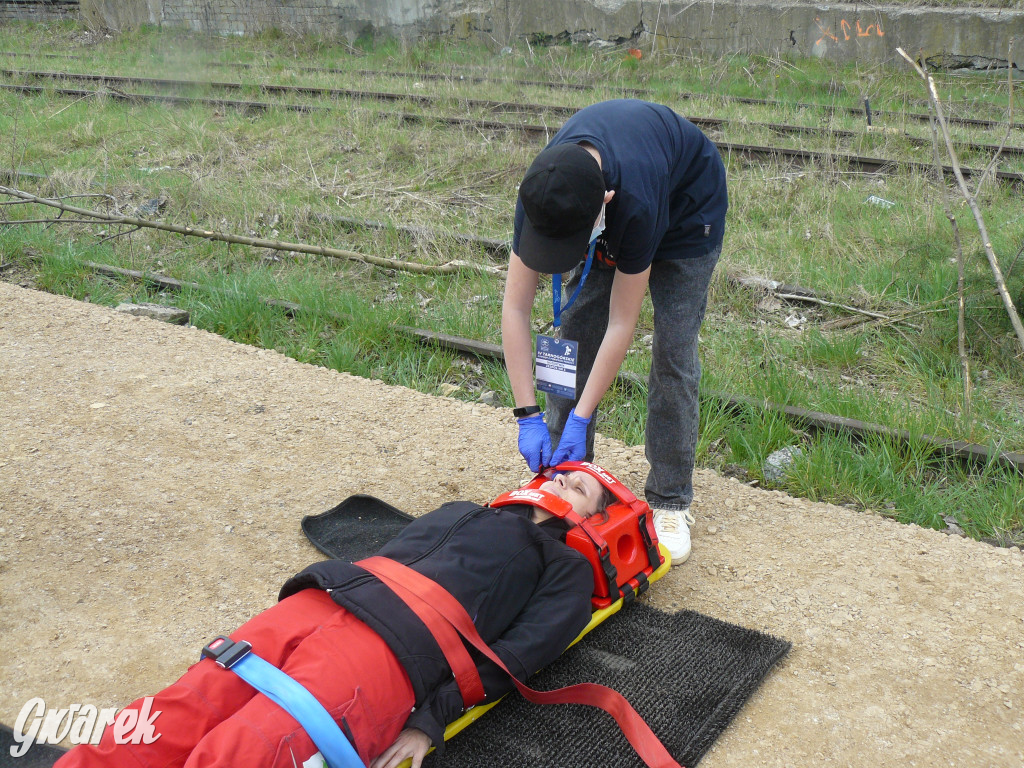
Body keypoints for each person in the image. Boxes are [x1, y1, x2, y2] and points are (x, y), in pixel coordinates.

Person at [55, 470, 614, 768]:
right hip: (323, 600)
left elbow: (519, 654)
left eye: (580, 485)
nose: (562, 479)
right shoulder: (466, 511)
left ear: (592, 519)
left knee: (248, 750)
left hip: (392, 651)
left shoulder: (563, 566)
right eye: (560, 472)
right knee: (175, 712)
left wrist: (430, 719)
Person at [502, 99, 728, 565]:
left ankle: (670, 499)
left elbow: (624, 321)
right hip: (612, 204)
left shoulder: (636, 205)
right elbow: (515, 306)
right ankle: (563, 475)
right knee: (575, 331)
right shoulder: (544, 191)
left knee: (673, 351)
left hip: (688, 210)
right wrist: (527, 414)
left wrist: (582, 415)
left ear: (602, 207)